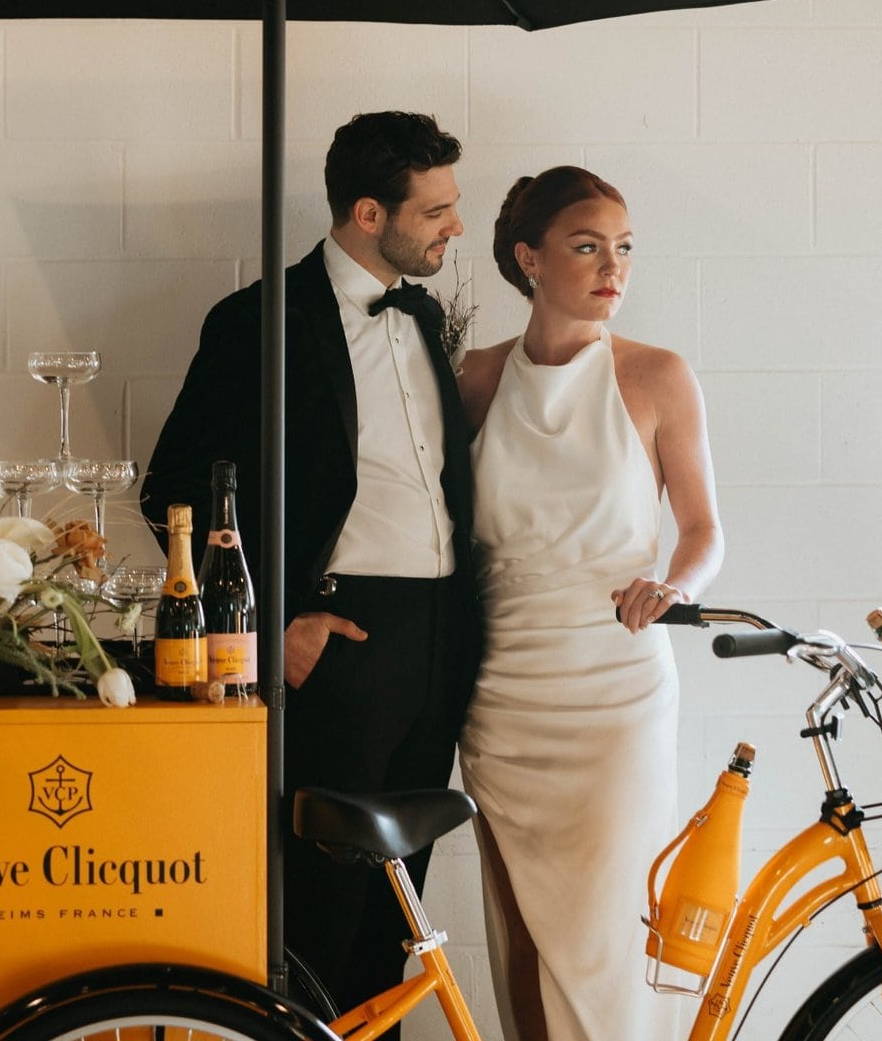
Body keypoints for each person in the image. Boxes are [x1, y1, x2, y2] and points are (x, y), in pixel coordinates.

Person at [141, 111, 484, 1020]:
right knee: (319, 910)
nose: (456, 226)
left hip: (440, 639)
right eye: (437, 210)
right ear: (369, 213)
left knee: (401, 910)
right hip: (334, 639)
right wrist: (275, 618)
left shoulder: (425, 314)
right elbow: (172, 489)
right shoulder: (259, 321)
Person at [456, 166, 723, 1041]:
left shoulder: (657, 376)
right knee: (526, 934)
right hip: (502, 694)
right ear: (529, 258)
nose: (614, 266)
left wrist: (675, 587)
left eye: (624, 248)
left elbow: (703, 531)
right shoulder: (478, 379)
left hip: (616, 690)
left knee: (611, 931)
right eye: (587, 246)